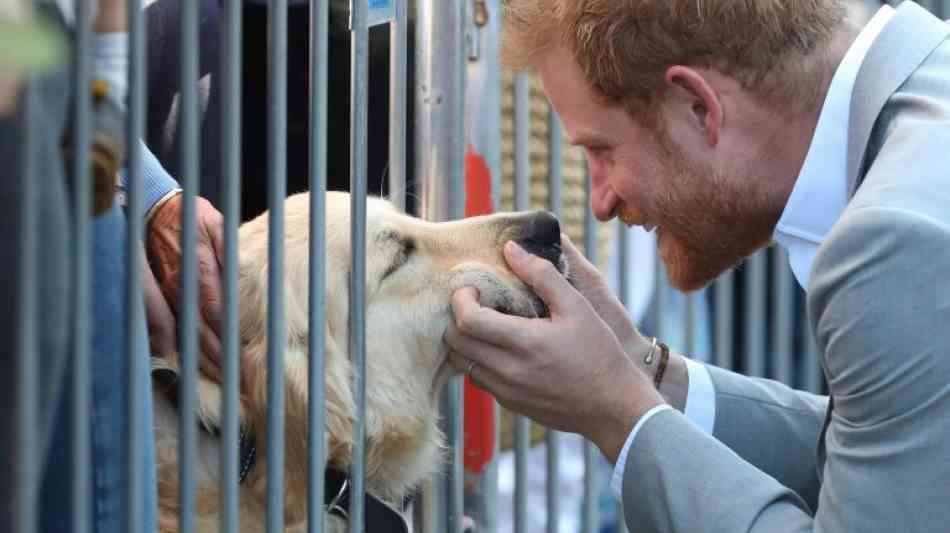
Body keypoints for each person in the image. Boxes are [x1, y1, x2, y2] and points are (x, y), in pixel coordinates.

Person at [444, 1, 950, 531]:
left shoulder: (894, 242)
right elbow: (888, 452)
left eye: (602, 149)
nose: (600, 201)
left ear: (699, 108)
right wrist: (642, 372)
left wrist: (617, 414)